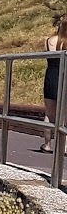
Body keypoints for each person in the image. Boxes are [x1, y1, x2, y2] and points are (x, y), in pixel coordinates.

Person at [40, 16, 67, 153]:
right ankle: (66, 146)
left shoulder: (49, 41)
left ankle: (48, 145)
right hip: (65, 77)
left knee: (49, 114)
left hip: (51, 76)